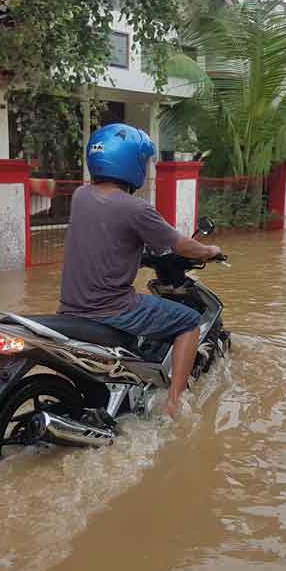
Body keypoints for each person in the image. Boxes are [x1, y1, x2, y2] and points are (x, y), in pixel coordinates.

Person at [58, 123, 221, 417]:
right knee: (189, 322)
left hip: (70, 308)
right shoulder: (136, 209)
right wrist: (210, 251)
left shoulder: (80, 196)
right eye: (144, 162)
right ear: (131, 162)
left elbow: (106, 239)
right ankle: (174, 404)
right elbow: (181, 245)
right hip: (112, 308)